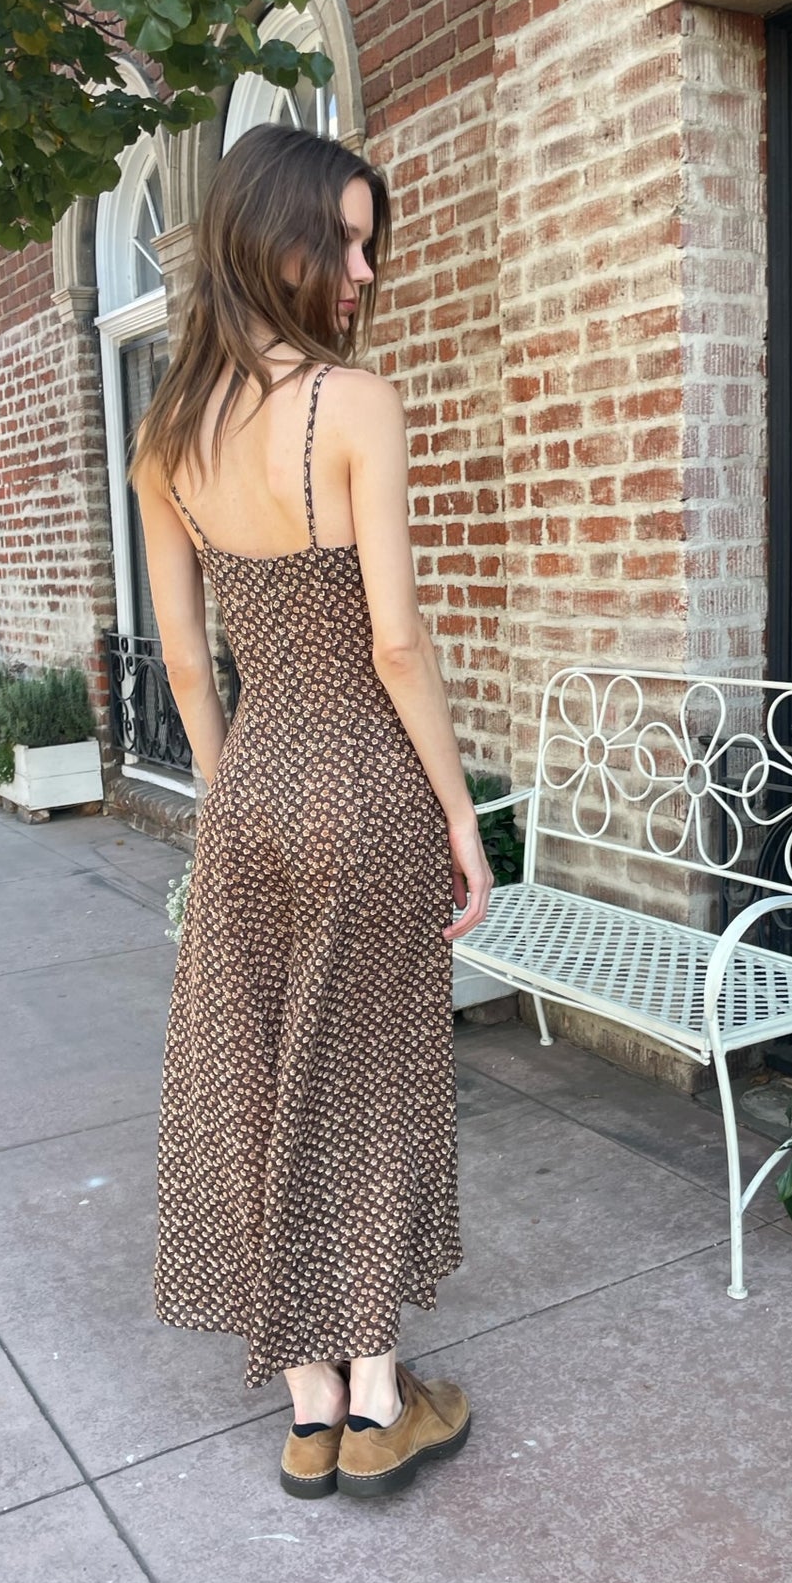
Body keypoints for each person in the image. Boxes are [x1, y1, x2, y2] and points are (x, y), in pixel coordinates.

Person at [129, 122, 493, 1501]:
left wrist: (233, 796)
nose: (360, 266)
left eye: (366, 239)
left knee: (255, 1076)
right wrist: (461, 817)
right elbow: (395, 645)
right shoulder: (353, 403)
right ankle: (381, 1400)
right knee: (371, 1077)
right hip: (367, 780)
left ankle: (306, 1411)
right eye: (337, 239)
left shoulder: (166, 434)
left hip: (256, 780)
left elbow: (178, 656)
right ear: (263, 240)